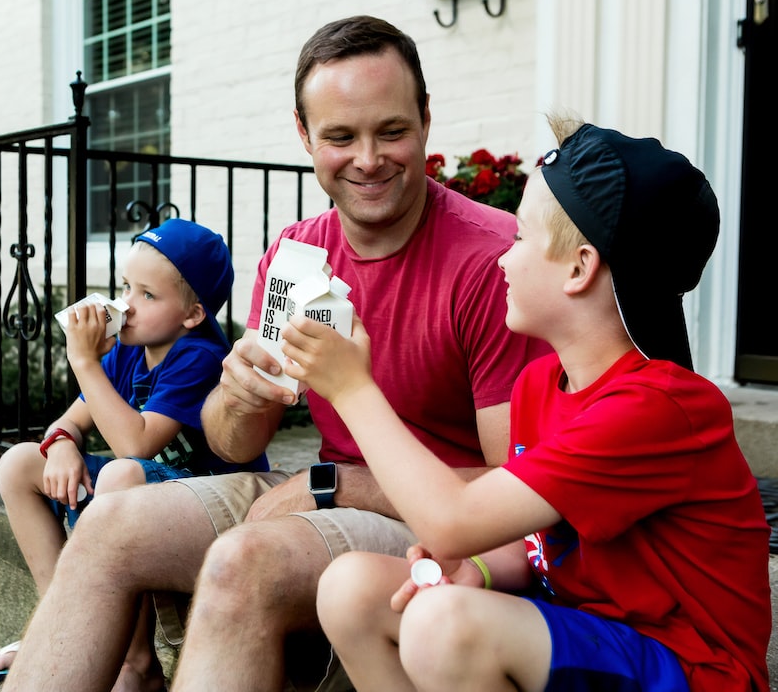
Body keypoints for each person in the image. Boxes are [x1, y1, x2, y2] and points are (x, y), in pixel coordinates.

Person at [2, 14, 549, 692]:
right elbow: (236, 445)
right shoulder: (298, 254)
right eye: (341, 136)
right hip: (320, 498)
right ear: (304, 136)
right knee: (109, 519)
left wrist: (335, 485)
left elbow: (520, 490)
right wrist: (236, 393)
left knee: (244, 561)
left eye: (392, 130)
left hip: (432, 523)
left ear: (427, 120)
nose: (369, 158)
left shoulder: (492, 262)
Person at [306, 116, 772, 691]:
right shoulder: (540, 383)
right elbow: (537, 549)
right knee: (350, 587)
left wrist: (353, 388)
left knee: (444, 624)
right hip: (585, 630)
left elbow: (452, 521)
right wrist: (474, 567)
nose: (503, 257)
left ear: (580, 268)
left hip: (692, 668)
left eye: (521, 239)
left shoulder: (658, 408)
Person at [0, 217, 269, 683]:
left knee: (121, 474)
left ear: (192, 314)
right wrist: (63, 445)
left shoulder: (199, 355)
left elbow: (136, 443)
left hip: (206, 505)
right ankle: (61, 623)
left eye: (147, 295)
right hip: (146, 496)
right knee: (19, 463)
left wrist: (84, 361)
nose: (125, 306)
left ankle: (136, 663)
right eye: (125, 286)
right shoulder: (132, 347)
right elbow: (72, 419)